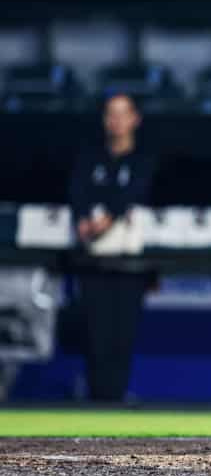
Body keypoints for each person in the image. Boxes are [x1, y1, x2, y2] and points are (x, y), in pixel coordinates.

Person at [69, 93, 156, 402]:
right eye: (111, 114)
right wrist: (82, 219)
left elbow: (136, 191)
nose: (116, 121)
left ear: (135, 119)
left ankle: (116, 396)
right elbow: (77, 192)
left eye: (123, 113)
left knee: (123, 331)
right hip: (93, 258)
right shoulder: (90, 158)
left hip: (130, 260)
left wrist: (109, 217)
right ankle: (95, 395)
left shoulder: (143, 160)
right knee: (94, 330)